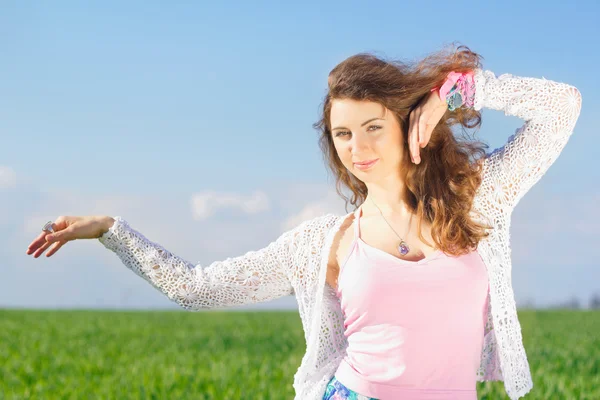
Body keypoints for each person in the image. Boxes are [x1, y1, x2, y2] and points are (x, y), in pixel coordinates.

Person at [25, 44, 582, 400]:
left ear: (410, 123)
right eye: (343, 134)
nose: (357, 148)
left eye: (372, 128)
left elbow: (564, 106)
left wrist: (455, 93)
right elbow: (197, 289)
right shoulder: (324, 243)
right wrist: (111, 231)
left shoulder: (479, 199)